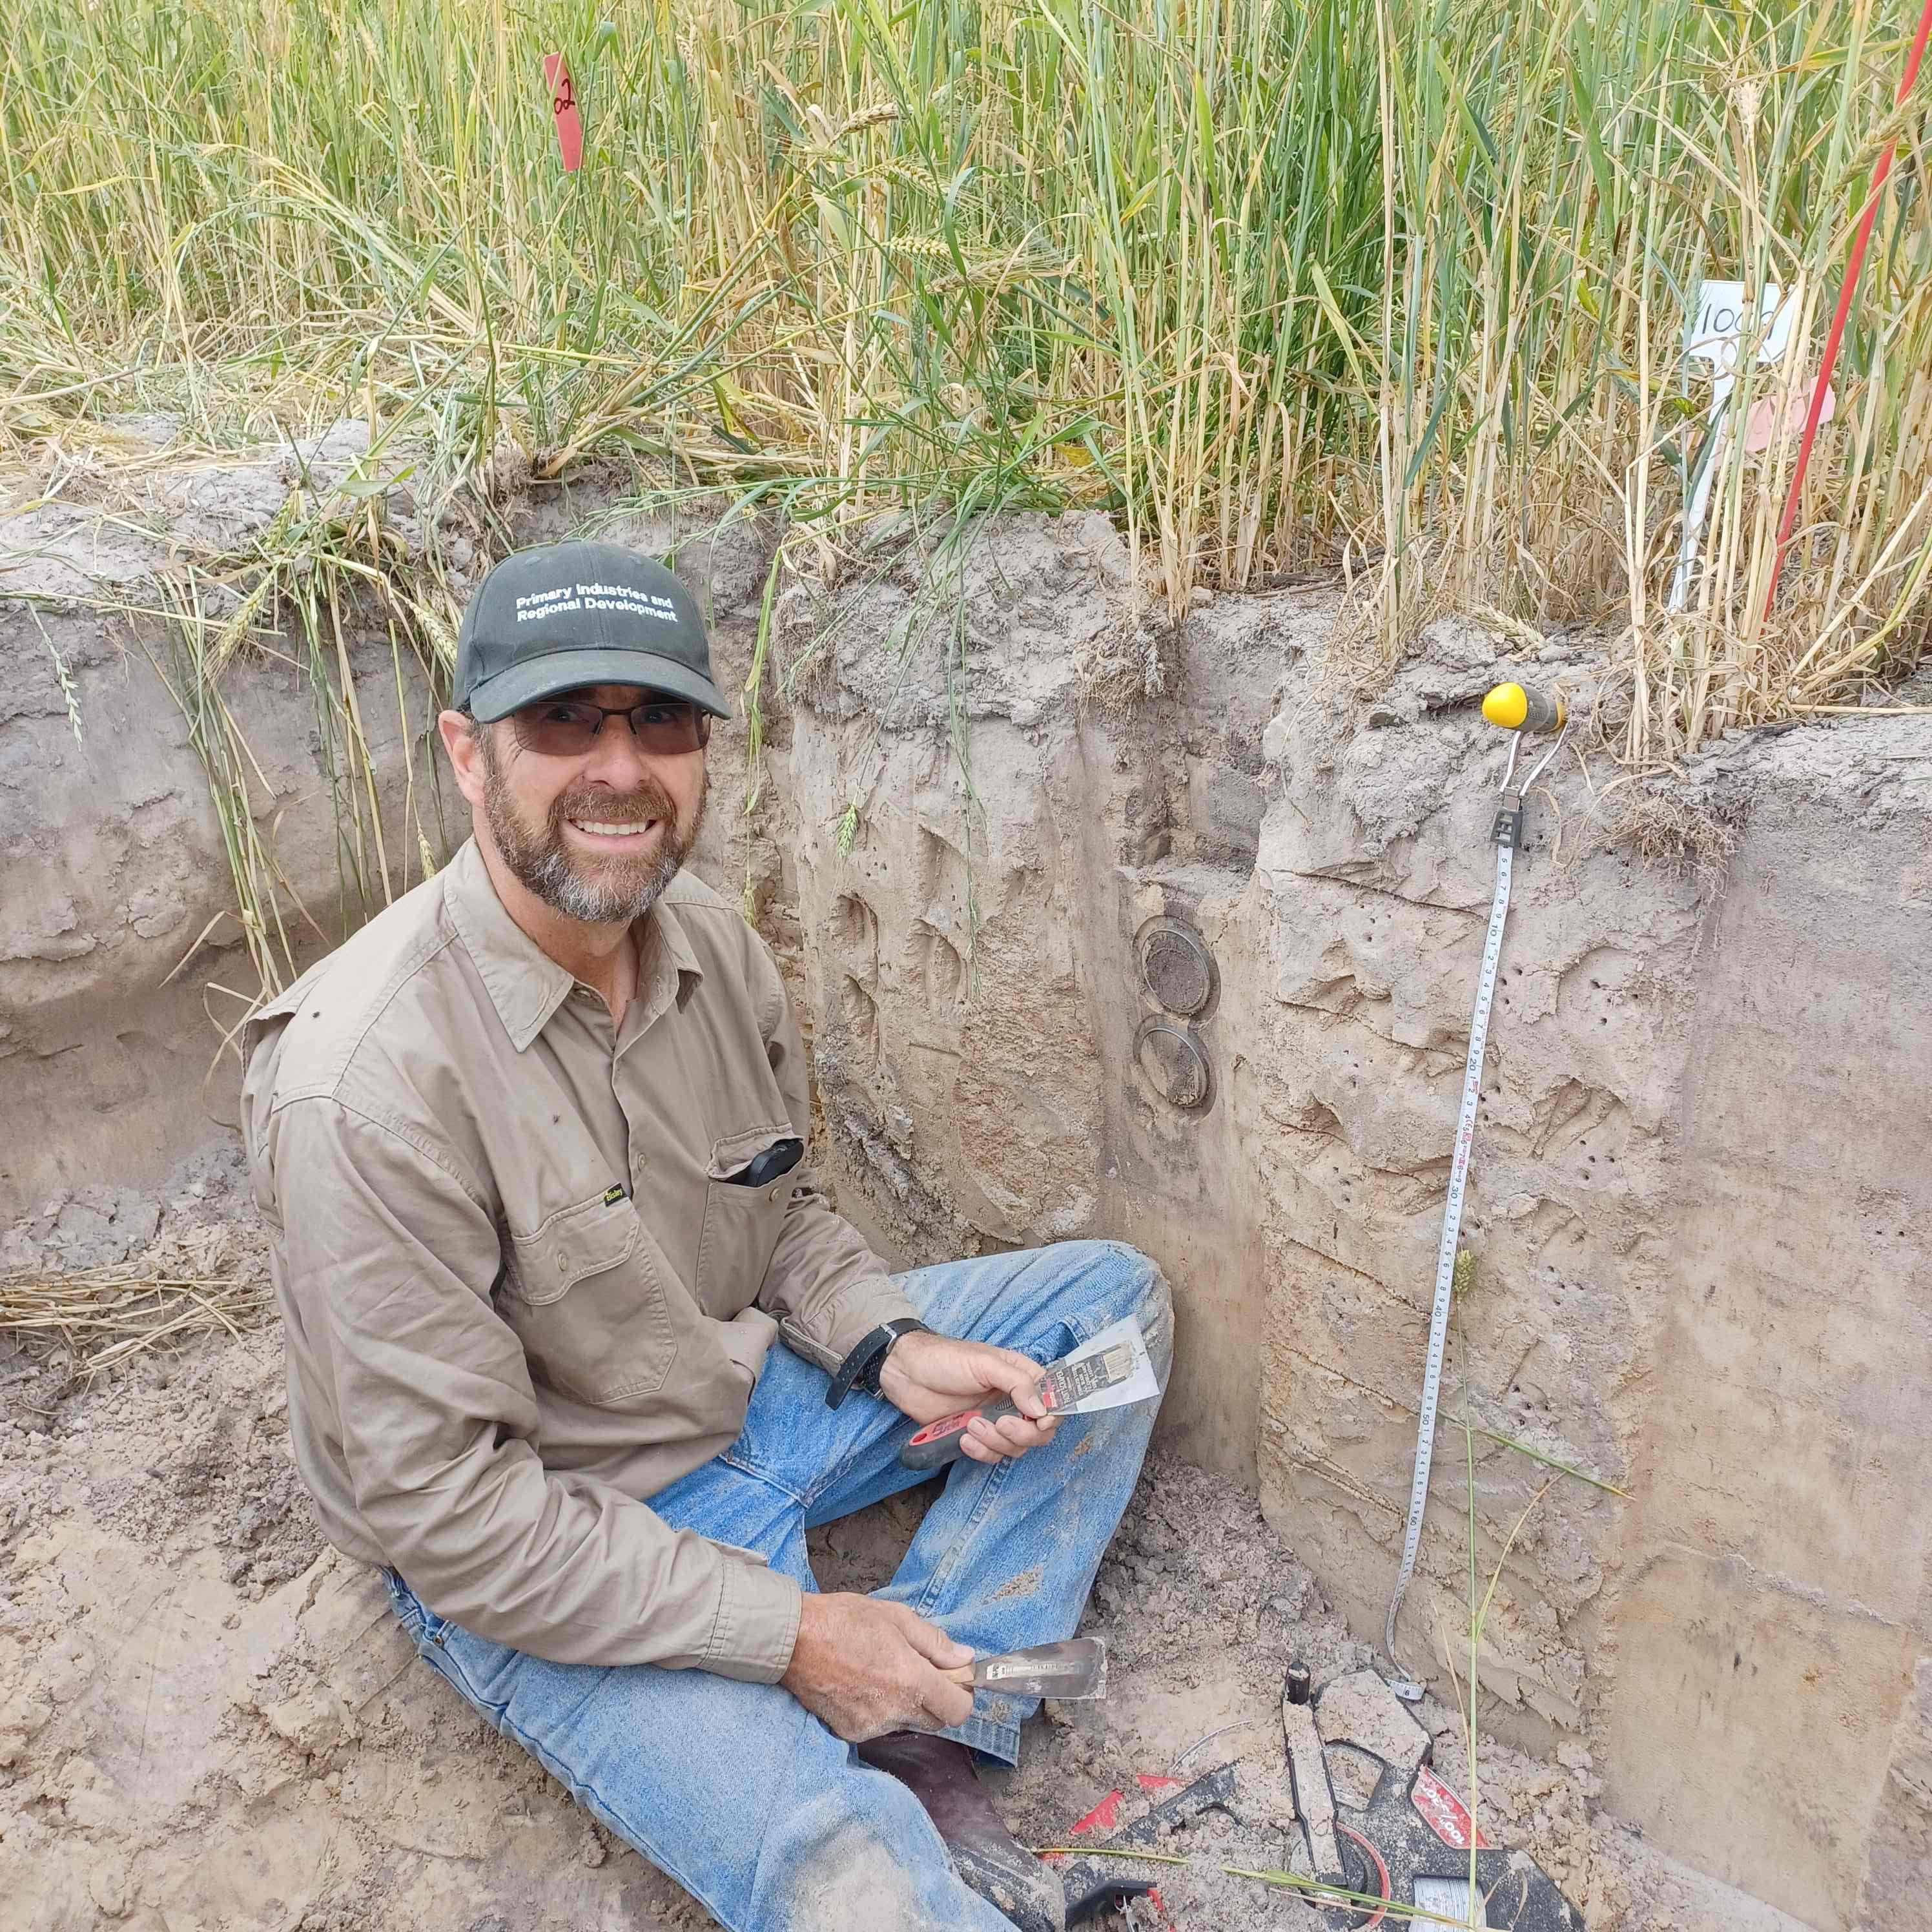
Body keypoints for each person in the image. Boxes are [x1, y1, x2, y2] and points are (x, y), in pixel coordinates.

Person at [240, 540, 1172, 1932]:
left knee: (1108, 1310)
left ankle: (923, 1717)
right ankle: (859, 1745)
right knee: (847, 1879)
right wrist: (792, 1635)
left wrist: (891, 1344)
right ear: (468, 754)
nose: (620, 768)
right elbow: (452, 1517)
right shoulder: (363, 1089)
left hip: (734, 1394)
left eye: (660, 722)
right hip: (553, 1536)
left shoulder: (712, 946)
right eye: (565, 721)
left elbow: (776, 1208)